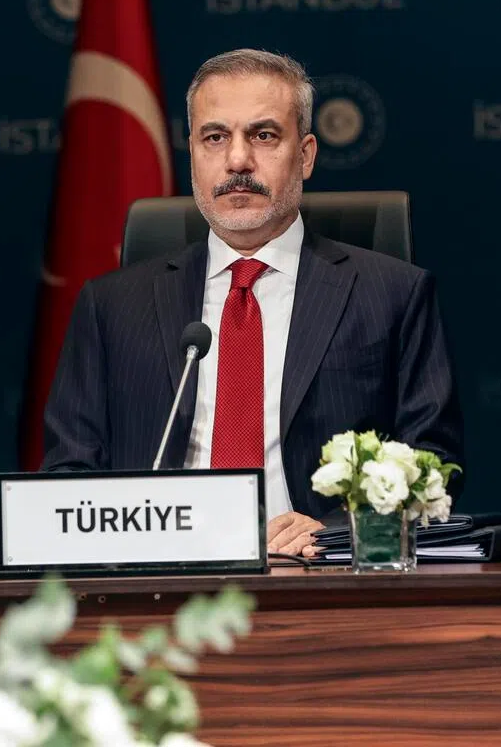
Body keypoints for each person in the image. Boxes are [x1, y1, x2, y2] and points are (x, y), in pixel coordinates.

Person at [39, 49, 463, 560]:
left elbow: (430, 463)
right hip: (162, 585)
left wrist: (331, 532)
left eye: (263, 136)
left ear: (305, 155)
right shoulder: (111, 306)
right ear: (192, 153)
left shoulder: (393, 294)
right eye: (215, 138)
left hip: (318, 580)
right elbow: (69, 476)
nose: (237, 160)